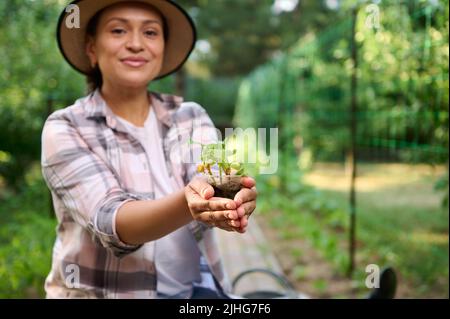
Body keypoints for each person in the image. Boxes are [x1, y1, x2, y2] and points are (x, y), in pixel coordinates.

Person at [41, 0, 257, 299]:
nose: (135, 44)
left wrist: (230, 197)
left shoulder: (190, 116)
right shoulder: (66, 127)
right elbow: (111, 219)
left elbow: (211, 176)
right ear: (92, 48)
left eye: (151, 33)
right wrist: (189, 201)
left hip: (193, 292)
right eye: (118, 30)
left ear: (163, 49)